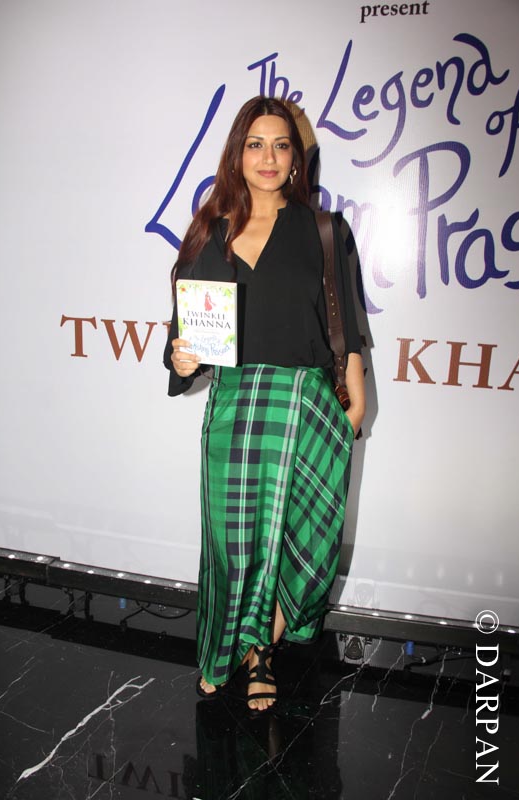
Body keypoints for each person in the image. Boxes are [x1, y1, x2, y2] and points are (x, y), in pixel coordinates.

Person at [164, 96, 366, 713]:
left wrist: (355, 409)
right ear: (237, 154)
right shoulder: (210, 230)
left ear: (297, 158)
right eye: (256, 144)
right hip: (234, 404)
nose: (269, 157)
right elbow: (184, 330)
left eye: (281, 145)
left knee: (296, 545)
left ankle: (258, 652)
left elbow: (348, 330)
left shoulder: (324, 231)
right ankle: (224, 644)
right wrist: (181, 360)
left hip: (305, 404)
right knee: (233, 546)